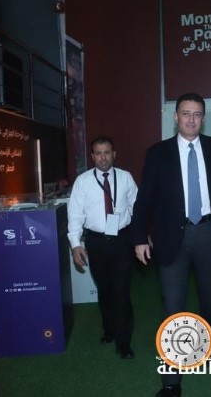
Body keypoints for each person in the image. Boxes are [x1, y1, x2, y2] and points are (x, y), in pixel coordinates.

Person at [132, 93, 211, 397]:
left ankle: (207, 347)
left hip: (209, 234)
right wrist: (139, 237)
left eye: (197, 114)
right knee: (172, 307)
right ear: (176, 117)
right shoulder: (157, 153)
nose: (191, 119)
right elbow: (144, 199)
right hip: (172, 237)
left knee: (210, 302)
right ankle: (171, 382)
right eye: (186, 113)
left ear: (203, 118)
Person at [67, 136, 138, 359]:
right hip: (96, 242)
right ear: (92, 156)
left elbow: (136, 207)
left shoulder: (125, 177)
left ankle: (124, 343)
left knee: (122, 291)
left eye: (107, 152)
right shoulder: (82, 182)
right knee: (105, 290)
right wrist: (75, 245)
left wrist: (141, 236)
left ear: (114, 154)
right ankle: (109, 329)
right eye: (98, 153)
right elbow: (75, 215)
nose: (103, 157)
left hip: (122, 240)